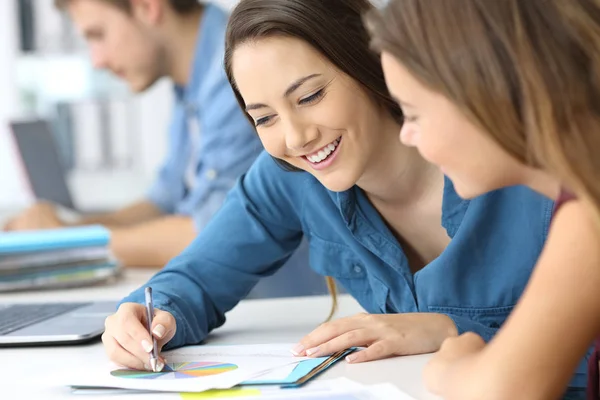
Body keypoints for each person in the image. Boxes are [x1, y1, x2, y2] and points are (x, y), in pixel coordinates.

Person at [100, 0, 557, 385]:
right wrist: (147, 319)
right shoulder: (288, 176)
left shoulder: (527, 168)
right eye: (264, 117)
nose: (296, 138)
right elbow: (195, 278)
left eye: (310, 96)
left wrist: (450, 330)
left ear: (369, 64)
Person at [366, 0, 600, 399]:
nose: (406, 135)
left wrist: (453, 364)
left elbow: (500, 391)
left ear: (483, 94)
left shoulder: (588, 217)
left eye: (413, 113)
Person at [3, 0, 262, 268]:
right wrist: (65, 230)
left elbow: (214, 235)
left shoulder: (236, 65)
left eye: (98, 35)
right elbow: (162, 201)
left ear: (147, 7)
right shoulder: (191, 84)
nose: (97, 61)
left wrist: (67, 243)